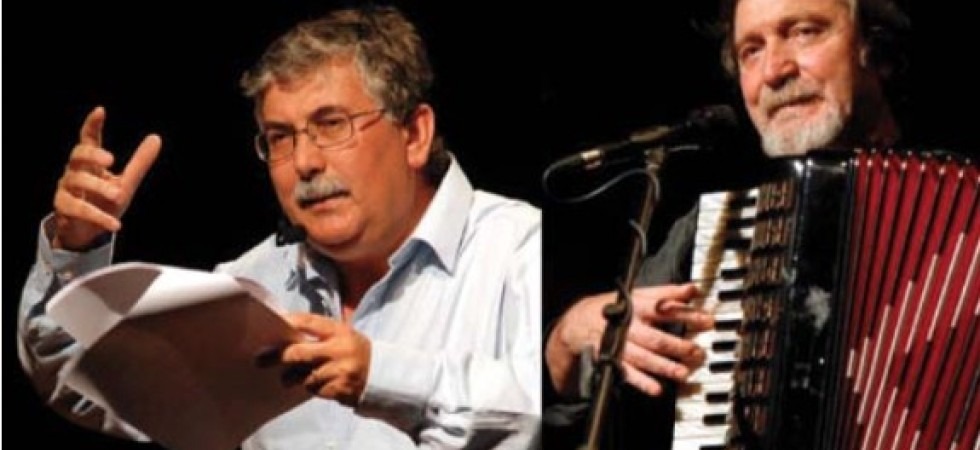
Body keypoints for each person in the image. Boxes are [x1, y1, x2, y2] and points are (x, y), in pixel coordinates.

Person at [17, 6, 541, 449]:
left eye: (331, 124)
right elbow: (81, 376)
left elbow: (548, 407)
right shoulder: (250, 285)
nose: (305, 162)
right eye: (280, 137)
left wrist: (381, 376)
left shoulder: (517, 249)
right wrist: (75, 247)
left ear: (414, 134)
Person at [544, 0, 910, 446]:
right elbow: (585, 399)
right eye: (751, 51)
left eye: (804, 32)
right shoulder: (719, 232)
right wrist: (567, 339)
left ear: (874, 48)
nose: (773, 71)